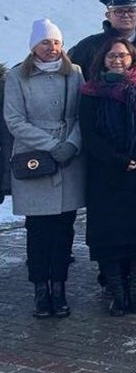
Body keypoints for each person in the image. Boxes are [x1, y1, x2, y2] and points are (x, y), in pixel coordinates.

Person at [4, 19, 85, 318]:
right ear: (33, 46)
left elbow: (81, 114)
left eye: (56, 43)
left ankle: (60, 287)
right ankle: (41, 288)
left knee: (64, 229)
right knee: (38, 230)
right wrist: (52, 145)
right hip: (35, 159)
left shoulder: (74, 73)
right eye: (45, 43)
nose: (51, 49)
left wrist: (73, 143)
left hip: (69, 161)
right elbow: (15, 121)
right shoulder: (17, 76)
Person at [80, 38, 136, 316]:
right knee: (111, 237)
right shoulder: (92, 91)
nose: (117, 60)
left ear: (133, 58)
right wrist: (117, 159)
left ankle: (134, 291)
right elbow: (89, 134)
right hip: (106, 174)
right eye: (111, 56)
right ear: (102, 60)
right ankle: (117, 293)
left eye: (123, 55)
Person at [68, 0, 136, 70]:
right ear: (108, 16)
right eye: (119, 11)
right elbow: (72, 76)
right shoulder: (90, 46)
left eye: (131, 11)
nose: (126, 15)